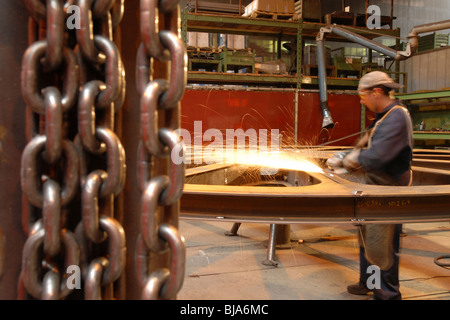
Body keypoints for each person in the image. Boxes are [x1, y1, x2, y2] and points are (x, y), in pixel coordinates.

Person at [326, 71, 414, 300]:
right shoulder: (384, 116)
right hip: (375, 188)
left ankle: (386, 294)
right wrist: (344, 155)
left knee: (381, 246)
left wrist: (346, 161)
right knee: (369, 239)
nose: (361, 100)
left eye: (362, 96)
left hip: (388, 192)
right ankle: (369, 281)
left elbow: (377, 157)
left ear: (376, 92)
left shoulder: (397, 116)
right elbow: (366, 147)